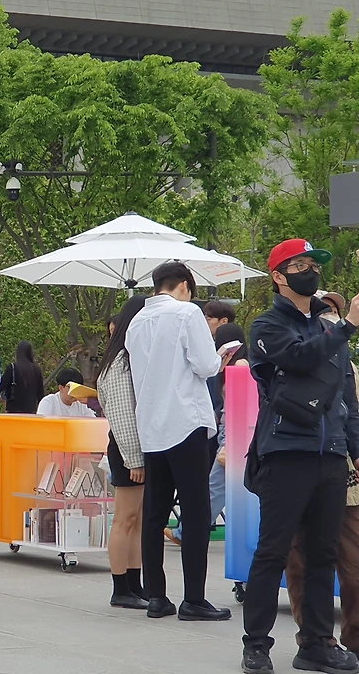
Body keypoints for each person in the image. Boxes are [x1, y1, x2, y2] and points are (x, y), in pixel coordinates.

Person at [241, 240, 359, 674]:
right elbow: (299, 359)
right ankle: (256, 644)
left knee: (323, 554)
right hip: (286, 452)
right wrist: (346, 326)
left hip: (331, 455)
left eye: (313, 264)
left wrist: (355, 449)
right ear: (278, 276)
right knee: (273, 552)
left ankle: (316, 643)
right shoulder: (268, 325)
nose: (310, 271)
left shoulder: (328, 330)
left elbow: (346, 398)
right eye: (299, 265)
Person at [125, 260, 232, 622]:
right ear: (185, 285)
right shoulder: (187, 313)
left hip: (151, 425)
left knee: (154, 513)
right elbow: (204, 366)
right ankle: (194, 598)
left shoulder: (137, 321)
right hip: (185, 422)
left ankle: (156, 596)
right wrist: (220, 357)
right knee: (197, 510)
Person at [285, 290, 359, 661]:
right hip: (296, 468)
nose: (327, 315)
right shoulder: (286, 353)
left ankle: (354, 639)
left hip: (344, 476)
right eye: (320, 309)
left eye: (332, 309)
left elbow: (353, 412)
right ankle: (313, 640)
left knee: (353, 560)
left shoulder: (347, 362)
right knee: (300, 560)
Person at [170, 322, 247, 547]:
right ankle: (187, 531)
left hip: (233, 430)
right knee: (220, 486)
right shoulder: (231, 365)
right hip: (230, 428)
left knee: (215, 486)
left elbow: (238, 404)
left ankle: (187, 532)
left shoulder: (240, 365)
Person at [98, 294, 150, 609]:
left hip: (136, 449)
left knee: (137, 519)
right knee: (125, 518)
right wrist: (135, 459)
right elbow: (122, 416)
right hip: (128, 449)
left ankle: (134, 583)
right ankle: (121, 587)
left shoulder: (130, 358)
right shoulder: (120, 363)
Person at [0, 341, 44, 414]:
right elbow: (40, 394)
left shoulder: (12, 368)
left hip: (13, 409)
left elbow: (1, 386)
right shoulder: (36, 370)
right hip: (31, 410)